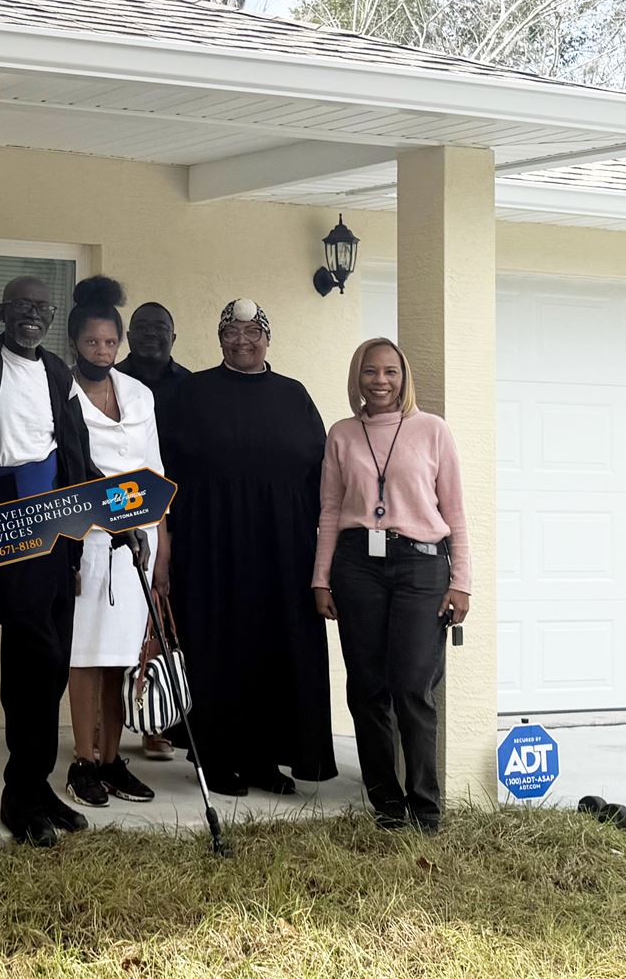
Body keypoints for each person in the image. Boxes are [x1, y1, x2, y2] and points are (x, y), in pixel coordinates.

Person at [156, 298, 338, 796]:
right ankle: (216, 759)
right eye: (231, 333)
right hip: (210, 548)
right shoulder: (192, 393)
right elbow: (162, 474)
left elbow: (321, 477)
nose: (242, 341)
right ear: (219, 340)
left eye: (252, 332)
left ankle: (263, 760)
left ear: (267, 338)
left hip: (281, 551)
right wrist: (164, 547)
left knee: (273, 649)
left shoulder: (293, 395)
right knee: (216, 647)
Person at [0, 276, 95, 847]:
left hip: (57, 520)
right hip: (3, 517)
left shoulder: (59, 372)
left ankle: (38, 787)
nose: (30, 316)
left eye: (41, 308)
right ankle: (20, 794)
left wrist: (94, 522)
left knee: (56, 656)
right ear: (2, 311)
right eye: (20, 308)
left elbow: (76, 448)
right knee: (31, 651)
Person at [312, 338, 472, 833]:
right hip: (357, 565)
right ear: (356, 377)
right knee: (366, 687)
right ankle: (386, 803)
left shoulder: (432, 430)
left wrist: (462, 581)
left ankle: (425, 808)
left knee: (412, 686)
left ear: (404, 378)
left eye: (390, 372)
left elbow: (455, 512)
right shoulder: (342, 434)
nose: (380, 381)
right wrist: (322, 577)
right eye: (369, 372)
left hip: (421, 567)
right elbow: (331, 511)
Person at [59, 278, 162, 812]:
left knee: (121, 656)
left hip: (137, 543)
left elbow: (154, 472)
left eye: (109, 343)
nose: (102, 352)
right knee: (86, 653)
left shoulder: (139, 394)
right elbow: (68, 474)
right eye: (92, 342)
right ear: (75, 342)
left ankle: (110, 758)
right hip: (88, 541)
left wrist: (158, 546)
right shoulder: (63, 395)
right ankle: (82, 760)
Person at [118, 299, 190, 760]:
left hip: (185, 512)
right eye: (141, 327)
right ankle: (124, 719)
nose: (150, 334)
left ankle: (164, 719)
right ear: (129, 335)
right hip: (129, 517)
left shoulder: (193, 387)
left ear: (173, 336)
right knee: (126, 620)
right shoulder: (112, 381)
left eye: (160, 327)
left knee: (170, 619)